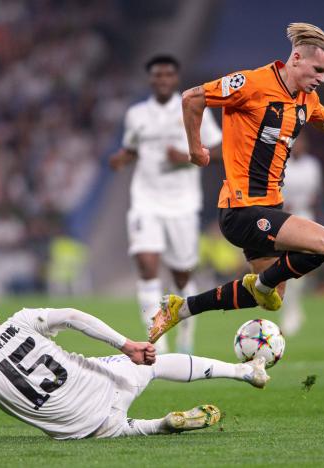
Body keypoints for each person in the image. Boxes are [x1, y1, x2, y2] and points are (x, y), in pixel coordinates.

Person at [149, 23, 324, 342]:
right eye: (317, 69)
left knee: (271, 297)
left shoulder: (306, 98)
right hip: (241, 208)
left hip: (269, 204)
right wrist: (196, 150)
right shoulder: (252, 83)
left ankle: (180, 309)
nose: (321, 78)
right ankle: (258, 285)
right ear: (297, 57)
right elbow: (192, 98)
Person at [0, 295, 269, 447]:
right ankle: (244, 372)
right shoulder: (20, 321)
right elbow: (72, 316)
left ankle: (157, 425)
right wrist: (127, 345)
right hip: (107, 385)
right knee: (152, 367)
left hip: (82, 430)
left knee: (121, 429)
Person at [109, 55, 222, 354]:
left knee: (182, 274)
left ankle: (186, 334)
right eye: (157, 75)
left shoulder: (193, 108)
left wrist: (186, 156)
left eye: (168, 75)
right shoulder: (136, 114)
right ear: (151, 79)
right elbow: (134, 147)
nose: (162, 80)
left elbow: (217, 149)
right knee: (147, 265)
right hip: (145, 201)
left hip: (183, 204)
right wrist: (123, 158)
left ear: (176, 79)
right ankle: (154, 340)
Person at [278, 134, 322, 336]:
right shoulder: (281, 163)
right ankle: (290, 312)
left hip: (304, 216)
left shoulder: (312, 165)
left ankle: (294, 310)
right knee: (286, 266)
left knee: (299, 267)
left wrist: (300, 202)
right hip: (285, 219)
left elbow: (315, 194)